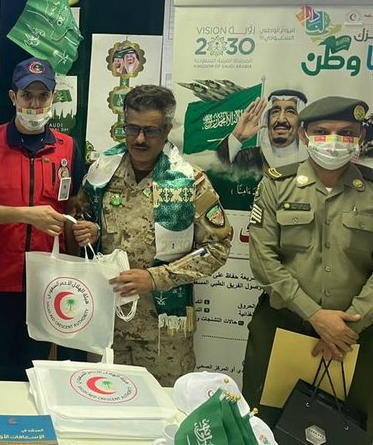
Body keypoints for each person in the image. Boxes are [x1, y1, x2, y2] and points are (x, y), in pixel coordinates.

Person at [76, 85, 231, 386]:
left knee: (165, 406)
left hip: (163, 334)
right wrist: (92, 231)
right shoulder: (101, 173)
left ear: (167, 129)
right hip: (106, 324)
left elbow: (217, 248)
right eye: (132, 128)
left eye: (150, 131)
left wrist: (156, 278)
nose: (139, 139)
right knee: (103, 404)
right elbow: (84, 215)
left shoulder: (190, 181)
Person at [244, 96, 373, 435]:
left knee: (351, 431)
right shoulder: (276, 185)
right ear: (304, 135)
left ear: (360, 136)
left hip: (356, 338)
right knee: (265, 425)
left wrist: (347, 328)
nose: (334, 141)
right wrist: (315, 315)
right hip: (284, 327)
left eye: (346, 132)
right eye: (322, 131)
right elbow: (263, 260)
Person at [0, 57, 87, 381]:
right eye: (27, 95)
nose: (34, 104)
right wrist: (26, 215)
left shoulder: (68, 148)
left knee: (35, 375)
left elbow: (73, 207)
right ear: (13, 96)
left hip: (45, 284)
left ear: (53, 98)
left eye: (42, 96)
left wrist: (83, 232)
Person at [217, 90, 308, 171]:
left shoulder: (311, 161)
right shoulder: (250, 158)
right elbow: (216, 169)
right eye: (275, 111)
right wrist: (237, 136)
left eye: (290, 112)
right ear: (267, 119)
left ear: (301, 122)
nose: (281, 119)